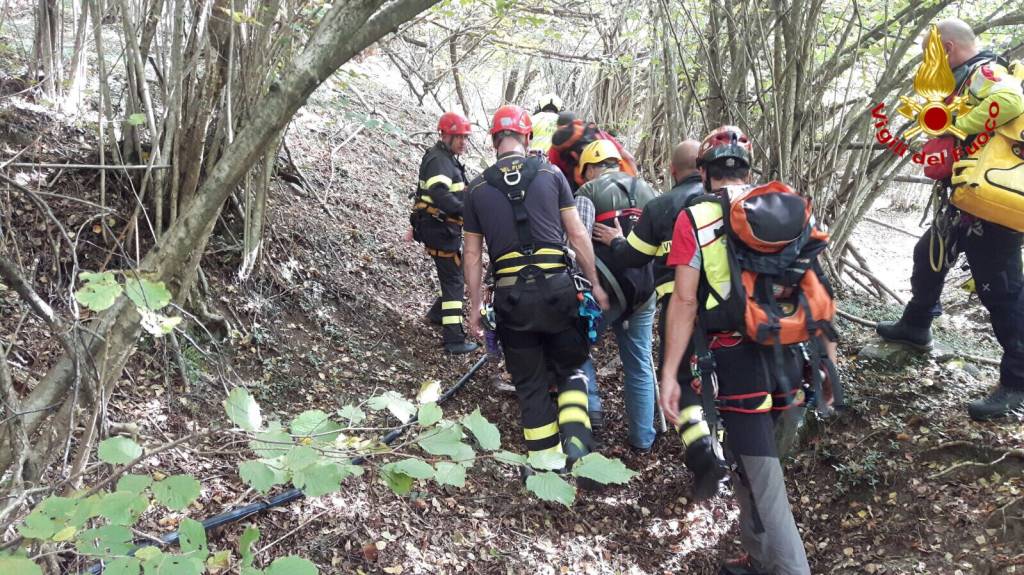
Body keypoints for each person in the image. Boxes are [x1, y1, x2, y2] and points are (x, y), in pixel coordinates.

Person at [660, 126, 833, 575]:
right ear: (747, 168)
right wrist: (830, 362)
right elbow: (816, 288)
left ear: (703, 172)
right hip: (792, 357)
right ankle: (758, 557)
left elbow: (682, 301)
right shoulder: (784, 208)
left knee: (764, 478)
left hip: (736, 362)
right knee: (747, 463)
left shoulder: (695, 218)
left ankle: (790, 568)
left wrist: (670, 372)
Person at [875, 18, 1024, 420]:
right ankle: (917, 324)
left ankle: (1016, 382)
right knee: (929, 255)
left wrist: (956, 129)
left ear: (949, 48)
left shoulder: (983, 72)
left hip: (991, 207)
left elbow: (1011, 101)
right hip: (967, 202)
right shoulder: (965, 78)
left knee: (1003, 292)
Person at [462, 105, 610, 475]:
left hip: (513, 300)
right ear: (527, 137)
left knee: (529, 384)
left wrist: (475, 306)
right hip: (560, 291)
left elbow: (472, 253)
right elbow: (577, 234)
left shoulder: (477, 188)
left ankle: (545, 466)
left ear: (494, 139)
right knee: (572, 370)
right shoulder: (551, 174)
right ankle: (577, 447)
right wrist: (594, 282)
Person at [573, 139, 659, 452]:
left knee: (577, 347)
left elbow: (579, 240)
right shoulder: (647, 191)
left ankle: (592, 411)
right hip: (644, 292)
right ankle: (642, 438)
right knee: (639, 364)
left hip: (605, 288)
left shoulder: (588, 193)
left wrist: (584, 283)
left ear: (590, 168)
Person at [593, 140, 704, 353]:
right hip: (724, 305)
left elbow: (631, 257)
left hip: (677, 306)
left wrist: (616, 239)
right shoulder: (727, 202)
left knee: (679, 374)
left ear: (672, 170)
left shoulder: (660, 207)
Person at [411, 112, 480, 354]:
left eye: (465, 137)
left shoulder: (447, 158)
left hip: (440, 227)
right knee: (453, 279)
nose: (463, 141)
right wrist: (468, 212)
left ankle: (437, 314)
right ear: (444, 135)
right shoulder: (440, 160)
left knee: (452, 273)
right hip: (439, 228)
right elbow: (440, 195)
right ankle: (454, 339)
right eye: (458, 137)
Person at [548, 114, 638, 190]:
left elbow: (553, 174)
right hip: (618, 180)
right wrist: (635, 182)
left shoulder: (556, 147)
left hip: (583, 186)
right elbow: (629, 157)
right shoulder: (597, 133)